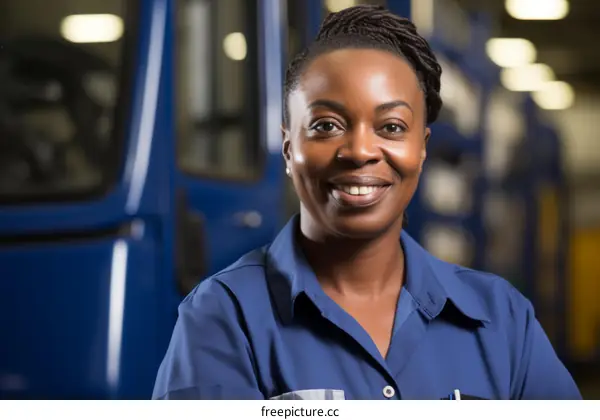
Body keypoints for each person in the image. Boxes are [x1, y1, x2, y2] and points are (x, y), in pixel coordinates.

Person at [152, 5, 581, 400]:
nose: (360, 151)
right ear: (287, 150)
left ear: (422, 148)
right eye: (326, 125)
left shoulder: (502, 319)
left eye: (392, 127)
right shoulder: (225, 318)